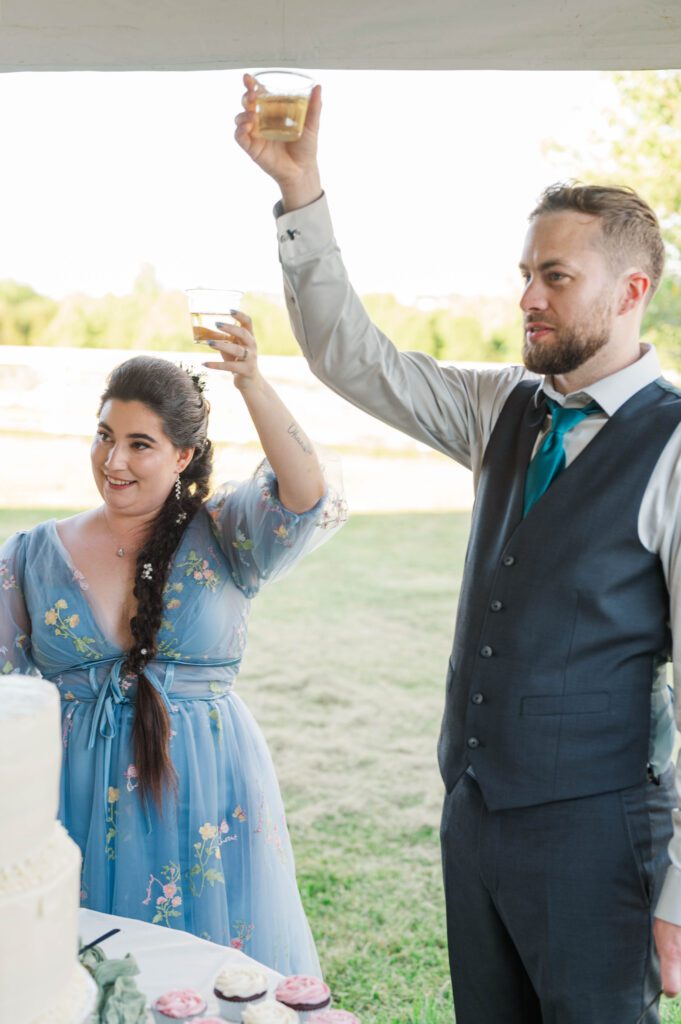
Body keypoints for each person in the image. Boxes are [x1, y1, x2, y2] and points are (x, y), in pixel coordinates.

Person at [235, 75, 681, 1022]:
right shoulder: (501, 408)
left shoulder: (675, 448)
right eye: (525, 272)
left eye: (554, 277)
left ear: (631, 290)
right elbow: (352, 358)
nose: (525, 296)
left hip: (599, 843)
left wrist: (678, 896)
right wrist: (301, 197)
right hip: (473, 821)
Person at [0, 312, 346, 976]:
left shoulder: (225, 534)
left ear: (183, 456)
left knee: (217, 979)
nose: (113, 460)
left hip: (209, 783)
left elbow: (306, 496)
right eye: (104, 436)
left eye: (139, 443)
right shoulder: (31, 556)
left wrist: (251, 382)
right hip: (75, 794)